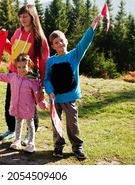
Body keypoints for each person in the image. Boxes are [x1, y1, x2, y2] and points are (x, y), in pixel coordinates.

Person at [43, 14, 102, 160]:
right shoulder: (50, 61)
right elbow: (46, 79)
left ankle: (77, 146)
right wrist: (49, 92)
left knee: (72, 124)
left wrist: (93, 25)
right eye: (56, 42)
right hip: (55, 99)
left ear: (66, 41)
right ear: (53, 46)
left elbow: (85, 42)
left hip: (69, 98)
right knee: (57, 124)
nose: (60, 44)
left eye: (62, 40)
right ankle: (58, 145)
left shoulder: (74, 56)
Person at [1, 4, 49, 146]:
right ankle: (11, 129)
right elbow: (12, 50)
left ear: (32, 17)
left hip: (30, 76)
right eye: (20, 16)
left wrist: (42, 84)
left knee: (29, 105)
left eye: (25, 16)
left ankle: (30, 132)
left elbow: (44, 62)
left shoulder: (40, 38)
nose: (22, 19)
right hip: (14, 73)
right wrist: (4, 40)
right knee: (11, 100)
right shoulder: (17, 32)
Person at [0, 54, 48, 153]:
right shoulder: (13, 77)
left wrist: (42, 104)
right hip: (16, 107)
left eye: (24, 67)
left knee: (30, 125)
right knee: (18, 123)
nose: (21, 69)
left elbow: (37, 95)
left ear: (29, 65)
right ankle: (17, 141)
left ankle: (31, 143)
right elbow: (1, 76)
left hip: (28, 108)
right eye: (19, 67)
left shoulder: (33, 81)